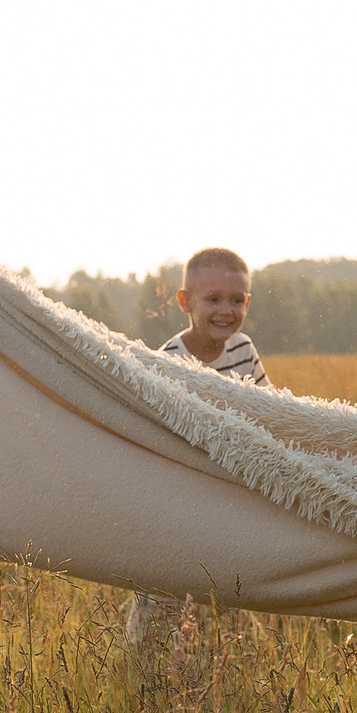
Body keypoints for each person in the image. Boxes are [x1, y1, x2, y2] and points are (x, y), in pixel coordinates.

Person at [126, 248, 270, 650]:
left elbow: (271, 412)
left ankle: (231, 662)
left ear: (248, 303)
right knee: (164, 590)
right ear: (185, 302)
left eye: (237, 300)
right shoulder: (169, 362)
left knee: (229, 589)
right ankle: (142, 668)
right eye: (213, 299)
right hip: (178, 499)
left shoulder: (243, 350)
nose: (226, 310)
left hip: (230, 495)